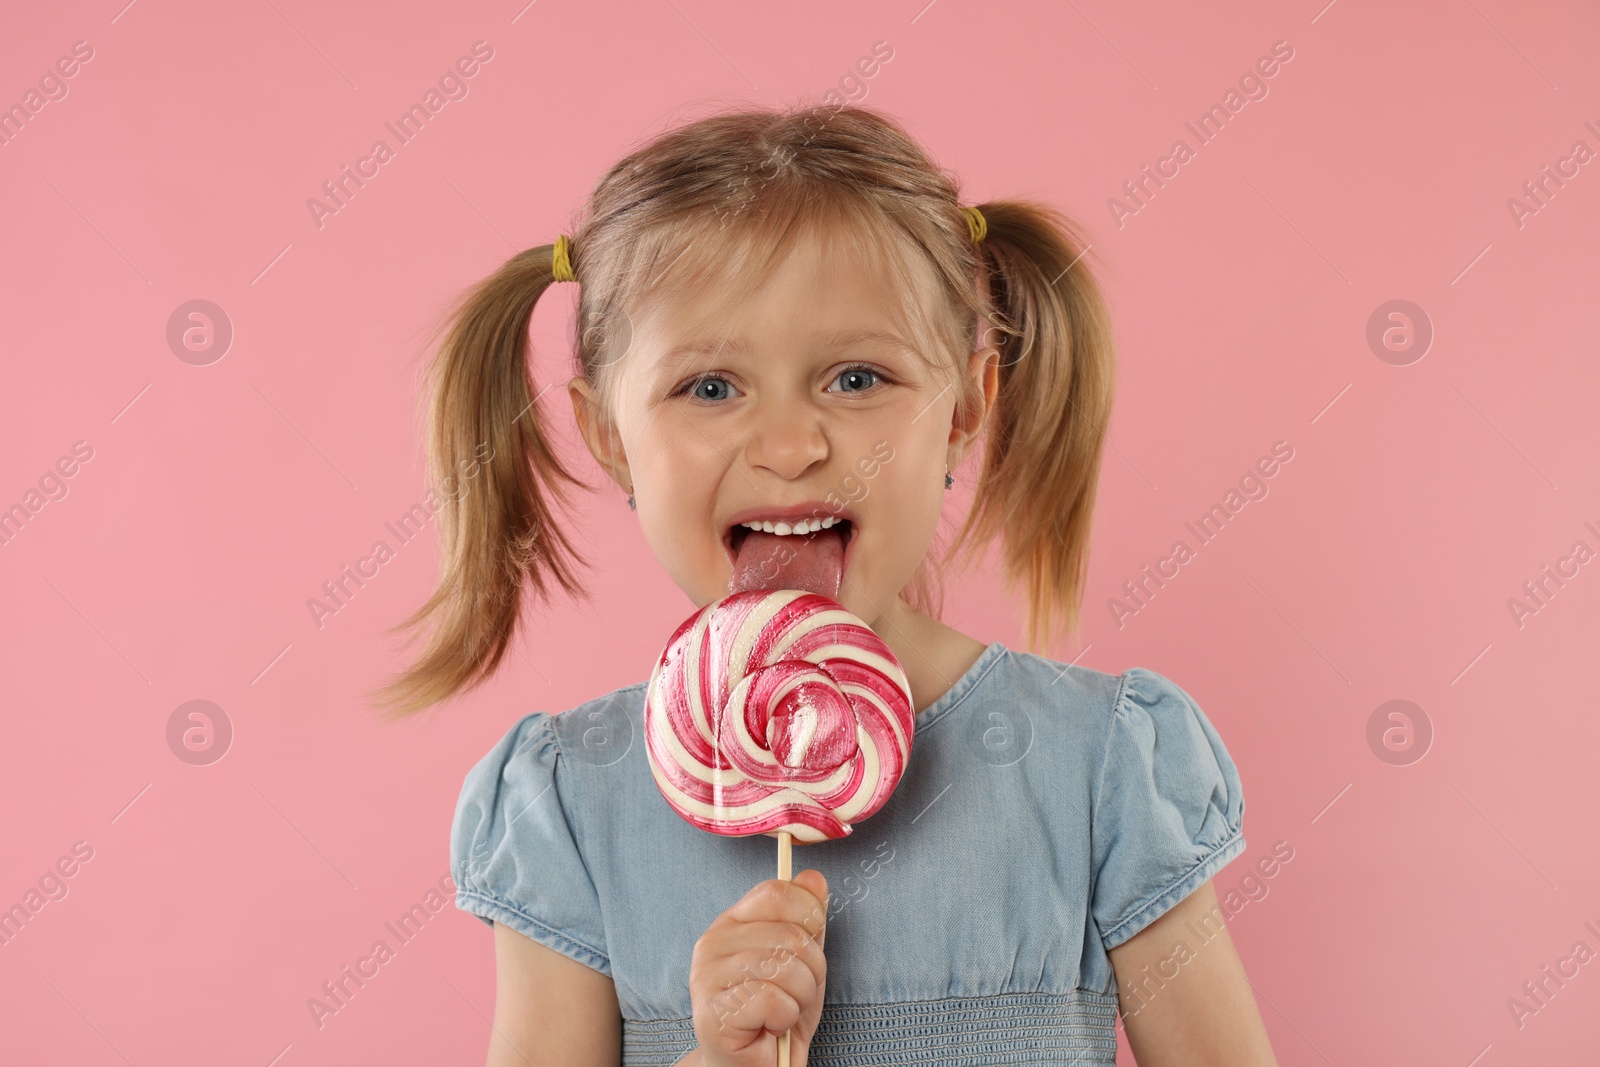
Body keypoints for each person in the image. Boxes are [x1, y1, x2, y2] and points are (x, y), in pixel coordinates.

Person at [375, 102, 1278, 1066]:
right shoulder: (572, 806)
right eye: (710, 386)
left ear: (967, 405)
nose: (794, 447)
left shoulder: (1101, 767)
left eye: (856, 378)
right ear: (608, 435)